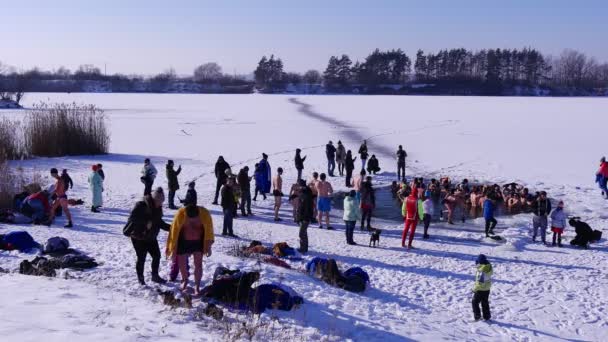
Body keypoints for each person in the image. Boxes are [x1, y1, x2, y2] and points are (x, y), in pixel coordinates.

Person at [166, 204, 214, 295]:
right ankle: (184, 280)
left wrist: (209, 246)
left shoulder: (204, 214)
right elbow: (174, 231)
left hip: (198, 242)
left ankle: (197, 286)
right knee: (182, 264)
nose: (192, 220)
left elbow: (209, 230)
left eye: (195, 218)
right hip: (183, 241)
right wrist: (173, 249)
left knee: (198, 264)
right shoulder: (180, 214)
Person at [127, 188, 170, 285]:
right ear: (154, 200)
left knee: (157, 256)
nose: (161, 204)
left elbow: (159, 223)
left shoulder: (158, 208)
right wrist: (146, 222)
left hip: (151, 237)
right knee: (141, 258)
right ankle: (141, 279)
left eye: (162, 202)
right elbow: (132, 218)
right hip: (139, 237)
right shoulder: (141, 205)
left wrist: (173, 228)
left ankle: (155, 276)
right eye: (159, 202)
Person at [472, 254, 493, 322]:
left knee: (474, 302)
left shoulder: (482, 271)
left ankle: (477, 316)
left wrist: (474, 289)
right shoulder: (488, 267)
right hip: (487, 288)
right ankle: (487, 316)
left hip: (480, 289)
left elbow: (480, 282)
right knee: (485, 302)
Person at [297, 179, 314, 254]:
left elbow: (307, 208)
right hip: (302, 217)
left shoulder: (306, 195)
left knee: (301, 233)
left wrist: (304, 218)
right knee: (304, 233)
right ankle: (305, 248)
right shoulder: (303, 193)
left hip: (305, 217)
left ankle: (303, 248)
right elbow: (300, 206)